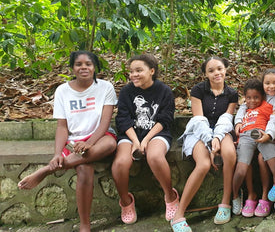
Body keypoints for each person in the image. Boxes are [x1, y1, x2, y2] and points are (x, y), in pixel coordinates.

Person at [17, 51, 118, 232]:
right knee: (84, 170)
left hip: (99, 137)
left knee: (111, 144)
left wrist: (90, 143)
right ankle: (85, 225)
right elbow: (62, 127)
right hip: (74, 141)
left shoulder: (105, 87)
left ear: (95, 67)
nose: (84, 67)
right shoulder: (63, 91)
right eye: (79, 64)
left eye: (88, 64)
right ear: (72, 68)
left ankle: (47, 171)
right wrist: (57, 154)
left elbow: (105, 122)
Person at [173, 56, 238, 232]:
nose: (216, 73)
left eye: (219, 69)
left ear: (225, 69)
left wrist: (217, 138)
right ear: (206, 74)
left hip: (221, 130)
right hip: (199, 131)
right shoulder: (198, 90)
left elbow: (226, 119)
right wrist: (211, 144)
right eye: (211, 71)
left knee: (230, 154)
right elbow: (199, 119)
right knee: (203, 164)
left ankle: (225, 203)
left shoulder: (232, 93)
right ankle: (179, 214)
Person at [112, 54, 179, 224]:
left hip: (156, 133)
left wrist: (146, 140)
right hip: (130, 134)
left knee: (155, 156)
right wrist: (135, 141)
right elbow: (123, 119)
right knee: (120, 163)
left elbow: (165, 119)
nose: (134, 74)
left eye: (139, 70)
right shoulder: (127, 91)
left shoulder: (164, 91)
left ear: (152, 71)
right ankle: (126, 202)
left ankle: (170, 197)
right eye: (132, 71)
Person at [231, 78, 275, 225]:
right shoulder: (245, 108)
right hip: (245, 137)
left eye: (256, 97)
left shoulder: (267, 106)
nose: (252, 101)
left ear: (262, 96)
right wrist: (237, 123)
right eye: (249, 98)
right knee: (240, 171)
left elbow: (274, 119)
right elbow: (239, 114)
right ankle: (235, 196)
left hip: (263, 135)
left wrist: (271, 135)